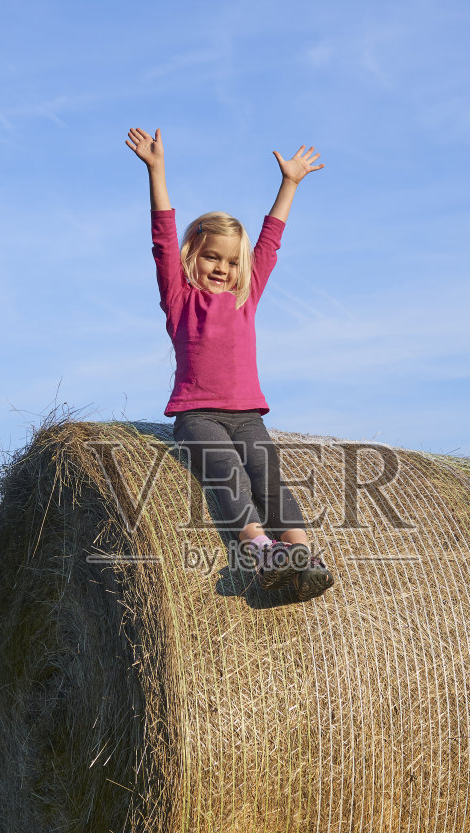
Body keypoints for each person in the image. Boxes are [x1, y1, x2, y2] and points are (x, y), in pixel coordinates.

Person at [124, 126, 333, 600]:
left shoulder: (247, 293)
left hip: (247, 415)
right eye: (211, 257)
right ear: (192, 257)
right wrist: (157, 170)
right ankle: (261, 552)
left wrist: (291, 184)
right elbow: (162, 238)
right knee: (228, 476)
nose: (222, 267)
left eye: (230, 261)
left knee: (270, 479)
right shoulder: (179, 297)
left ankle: (302, 555)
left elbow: (270, 242)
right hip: (197, 416)